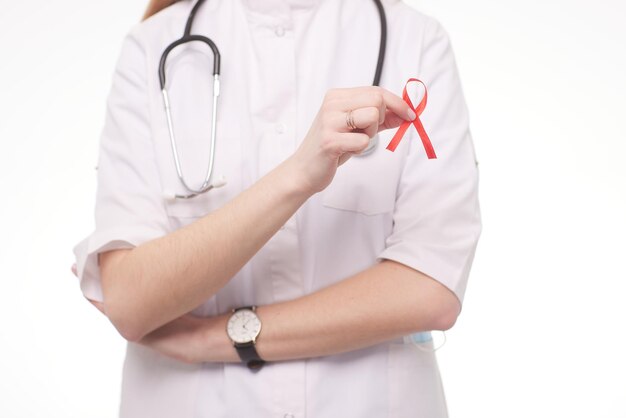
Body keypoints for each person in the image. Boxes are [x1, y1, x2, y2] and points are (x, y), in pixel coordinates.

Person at [72, 0, 481, 416]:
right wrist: (298, 175)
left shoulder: (414, 42)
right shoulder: (155, 46)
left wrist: (215, 339)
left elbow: (430, 288)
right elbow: (130, 299)